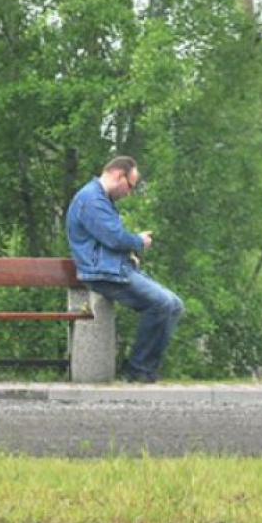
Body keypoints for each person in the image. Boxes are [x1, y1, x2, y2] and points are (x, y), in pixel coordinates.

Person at [66, 156, 184, 383]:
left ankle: (146, 370)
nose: (129, 193)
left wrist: (128, 256)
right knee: (163, 304)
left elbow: (106, 240)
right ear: (119, 175)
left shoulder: (99, 199)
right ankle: (136, 369)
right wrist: (139, 242)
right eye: (130, 185)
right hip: (103, 274)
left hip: (114, 270)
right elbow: (114, 238)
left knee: (174, 305)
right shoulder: (91, 199)